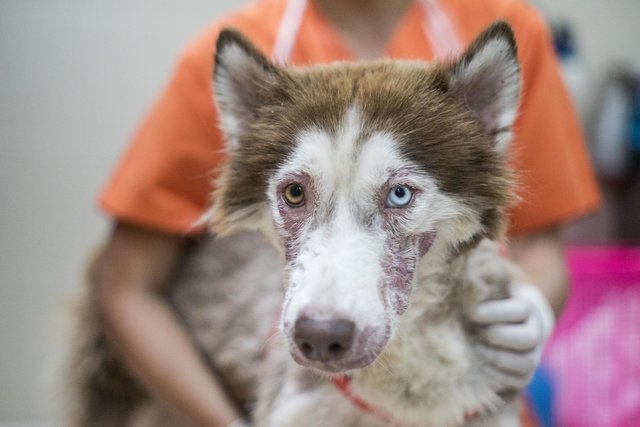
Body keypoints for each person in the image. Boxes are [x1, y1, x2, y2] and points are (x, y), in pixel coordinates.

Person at [94, 0, 600, 426]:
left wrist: (533, 307)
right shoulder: (229, 51)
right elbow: (126, 286)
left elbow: (540, 246)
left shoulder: (511, 28)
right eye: (294, 193)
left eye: (400, 193)